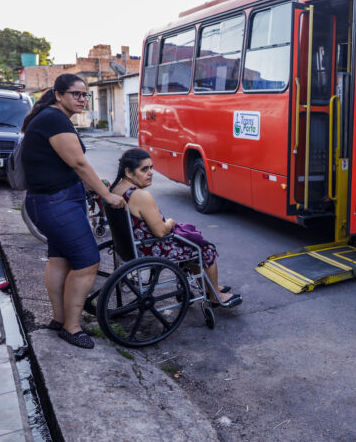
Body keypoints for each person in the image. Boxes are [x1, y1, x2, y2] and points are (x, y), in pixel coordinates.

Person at [21, 73, 126, 349]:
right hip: (57, 203)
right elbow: (79, 163)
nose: (82, 99)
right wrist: (107, 196)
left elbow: (65, 165)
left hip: (52, 200)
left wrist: (91, 187)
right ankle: (71, 326)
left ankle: (60, 320)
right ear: (58, 94)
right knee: (88, 261)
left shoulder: (50, 117)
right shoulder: (54, 120)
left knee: (60, 260)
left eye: (85, 94)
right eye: (75, 94)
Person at [109, 148, 241, 308]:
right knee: (204, 248)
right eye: (144, 169)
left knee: (190, 244)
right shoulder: (140, 195)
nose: (151, 173)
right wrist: (170, 222)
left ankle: (209, 286)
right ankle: (215, 295)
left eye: (151, 168)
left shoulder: (115, 191)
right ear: (129, 172)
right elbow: (160, 232)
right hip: (150, 249)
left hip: (131, 246)